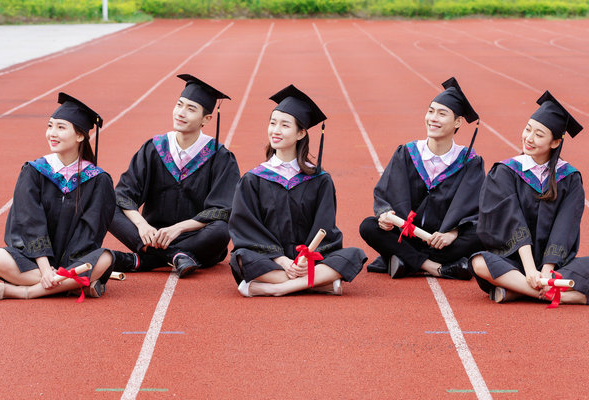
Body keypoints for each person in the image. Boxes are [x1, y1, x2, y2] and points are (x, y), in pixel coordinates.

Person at [229, 84, 366, 297]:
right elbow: (246, 227)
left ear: (301, 133)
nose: (275, 131)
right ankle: (320, 283)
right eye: (273, 123)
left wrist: (305, 259)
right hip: (270, 259)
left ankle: (278, 288)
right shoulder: (253, 179)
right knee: (242, 258)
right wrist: (282, 260)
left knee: (353, 255)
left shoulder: (320, 180)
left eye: (284, 125)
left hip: (306, 259)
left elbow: (325, 226)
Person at [109, 74, 240, 277]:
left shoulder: (220, 156)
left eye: (191, 109)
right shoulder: (154, 148)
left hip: (194, 236)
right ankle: (175, 256)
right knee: (108, 208)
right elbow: (124, 195)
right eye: (179, 105)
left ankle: (144, 259)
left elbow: (222, 210)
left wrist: (178, 229)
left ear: (207, 119)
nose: (181, 113)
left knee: (221, 230)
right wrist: (142, 225)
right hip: (151, 234)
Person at [0, 93, 115, 300]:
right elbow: (30, 221)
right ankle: (73, 286)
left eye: (60, 127)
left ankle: (25, 292)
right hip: (34, 260)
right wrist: (46, 269)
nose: (52, 133)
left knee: (106, 258)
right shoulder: (34, 171)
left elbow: (90, 230)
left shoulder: (98, 180)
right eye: (50, 126)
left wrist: (66, 267)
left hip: (74, 261)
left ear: (80, 136)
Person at [359, 77, 485, 279]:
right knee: (369, 226)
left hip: (441, 242)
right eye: (431, 111)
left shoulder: (469, 162)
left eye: (442, 114)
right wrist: (385, 215)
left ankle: (405, 261)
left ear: (458, 122)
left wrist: (452, 234)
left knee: (481, 235)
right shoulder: (407, 153)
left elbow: (476, 209)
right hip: (407, 236)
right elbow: (385, 195)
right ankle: (432, 267)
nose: (433, 118)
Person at [471, 91, 589, 304]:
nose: (529, 138)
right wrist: (531, 271)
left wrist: (546, 270)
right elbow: (511, 220)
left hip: (555, 267)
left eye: (539, 134)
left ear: (554, 143)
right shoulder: (506, 171)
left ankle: (517, 291)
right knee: (480, 262)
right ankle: (559, 296)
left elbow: (565, 226)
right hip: (514, 262)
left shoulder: (569, 178)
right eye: (528, 129)